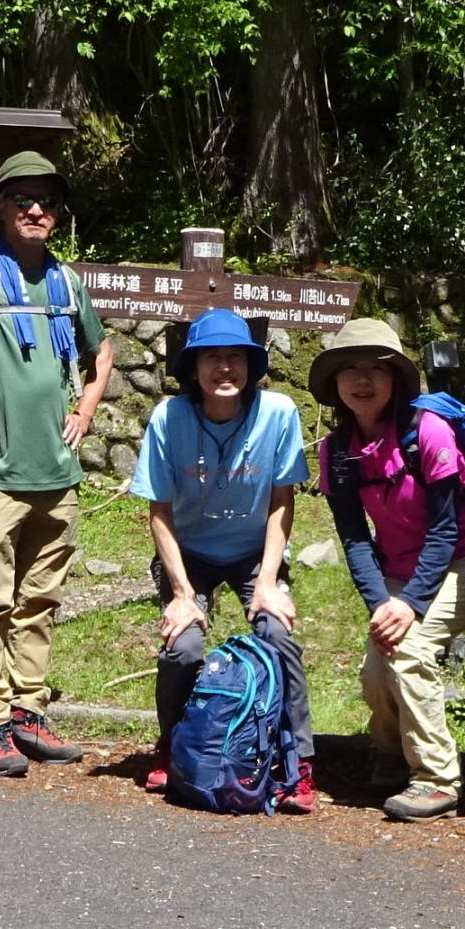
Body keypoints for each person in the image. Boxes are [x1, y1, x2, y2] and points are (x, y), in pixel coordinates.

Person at [0, 151, 114, 777]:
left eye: (46, 200)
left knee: (39, 600)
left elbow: (102, 351)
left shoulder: (68, 283)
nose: (36, 209)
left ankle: (28, 708)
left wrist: (87, 408)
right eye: (22, 199)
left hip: (58, 474)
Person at [131, 308, 314, 812]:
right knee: (183, 648)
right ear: (193, 368)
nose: (225, 368)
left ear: (253, 366)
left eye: (237, 357)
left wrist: (269, 582)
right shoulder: (169, 417)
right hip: (188, 553)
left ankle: (297, 761)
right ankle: (175, 745)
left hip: (256, 551)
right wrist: (184, 595)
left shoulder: (278, 413)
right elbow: (159, 512)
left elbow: (283, 500)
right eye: (212, 358)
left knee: (277, 636)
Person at [311, 318, 465, 823]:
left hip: (461, 560)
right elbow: (354, 536)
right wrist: (380, 602)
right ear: (336, 385)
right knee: (374, 667)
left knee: (410, 650)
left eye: (375, 370)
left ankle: (436, 779)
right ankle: (390, 752)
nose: (362, 381)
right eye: (350, 370)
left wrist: (409, 604)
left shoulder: (427, 431)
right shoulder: (336, 450)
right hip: (394, 567)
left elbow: (448, 530)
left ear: (397, 381)